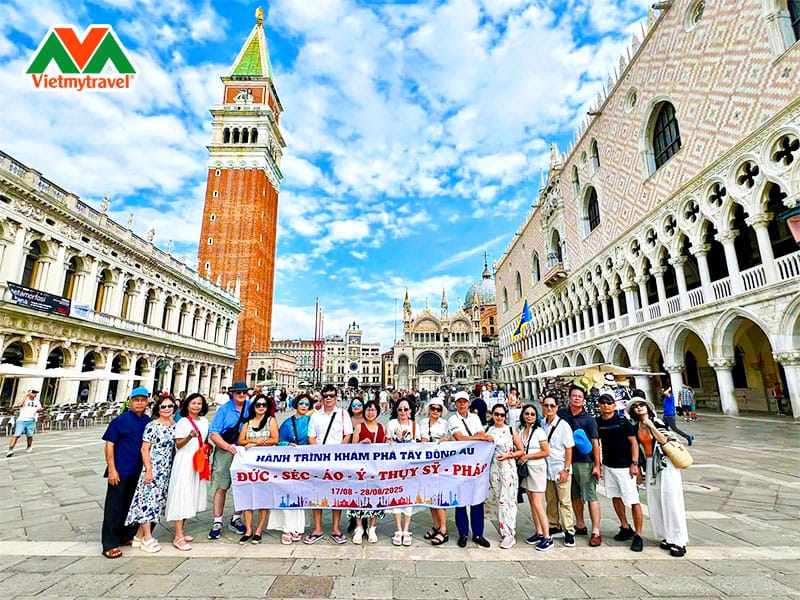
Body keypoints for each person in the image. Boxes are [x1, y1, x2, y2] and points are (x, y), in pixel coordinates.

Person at [629, 397, 689, 557]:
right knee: (656, 501)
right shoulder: (636, 427)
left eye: (641, 405)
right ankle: (667, 536)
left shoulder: (657, 422)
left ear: (648, 407)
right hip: (650, 465)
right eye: (635, 406)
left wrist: (651, 425)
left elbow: (665, 441)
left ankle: (679, 540)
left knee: (671, 501)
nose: (639, 407)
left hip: (665, 464)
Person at [100, 387, 151, 559]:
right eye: (136, 400)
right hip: (120, 470)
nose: (139, 403)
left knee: (129, 506)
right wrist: (112, 469)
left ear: (147, 402)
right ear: (130, 401)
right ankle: (109, 543)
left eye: (143, 400)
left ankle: (124, 535)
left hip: (137, 471)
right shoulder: (120, 420)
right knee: (113, 508)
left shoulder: (147, 421)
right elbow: (109, 445)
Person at [124, 396, 176, 552]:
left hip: (165, 469)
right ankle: (147, 537)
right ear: (158, 409)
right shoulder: (152, 425)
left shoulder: (175, 426)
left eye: (170, 406)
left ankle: (138, 538)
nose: (167, 409)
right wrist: (148, 470)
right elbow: (144, 449)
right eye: (163, 406)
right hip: (153, 469)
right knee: (147, 502)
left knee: (157, 502)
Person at [304, 384, 353, 544]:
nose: (329, 398)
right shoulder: (315, 416)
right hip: (319, 460)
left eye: (332, 395)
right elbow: (311, 437)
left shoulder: (343, 414)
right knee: (316, 493)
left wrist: (339, 451)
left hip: (337, 460)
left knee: (337, 493)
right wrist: (318, 452)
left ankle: (336, 528)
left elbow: (348, 435)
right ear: (322, 398)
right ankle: (317, 529)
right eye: (326, 396)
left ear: (336, 397)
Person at [595, 392, 644, 552]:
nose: (606, 405)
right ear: (599, 406)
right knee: (615, 497)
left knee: (633, 500)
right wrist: (599, 465)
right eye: (603, 403)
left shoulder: (623, 421)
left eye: (609, 403)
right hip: (609, 465)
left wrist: (634, 463)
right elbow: (597, 443)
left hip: (625, 467)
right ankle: (625, 526)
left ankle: (638, 534)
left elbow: (634, 443)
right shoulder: (598, 422)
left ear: (614, 405)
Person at [447, 390, 493, 548]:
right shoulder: (453, 419)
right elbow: (459, 438)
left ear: (468, 403)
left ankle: (478, 534)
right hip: (459, 464)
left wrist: (479, 436)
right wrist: (479, 437)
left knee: (477, 499)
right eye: (459, 402)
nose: (461, 404)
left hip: (476, 463)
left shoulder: (474, 418)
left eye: (464, 401)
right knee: (460, 499)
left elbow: (481, 432)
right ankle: (463, 533)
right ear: (455, 404)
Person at [165, 393, 209, 551]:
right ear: (187, 405)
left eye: (199, 403)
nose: (196, 406)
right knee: (181, 494)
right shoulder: (183, 422)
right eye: (193, 403)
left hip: (198, 460)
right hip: (184, 461)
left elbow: (205, 440)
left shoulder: (204, 421)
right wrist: (190, 436)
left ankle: (181, 531)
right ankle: (177, 537)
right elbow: (178, 444)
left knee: (190, 494)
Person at [558, 384, 601, 547]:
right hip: (566, 461)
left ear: (583, 400)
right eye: (574, 396)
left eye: (580, 397)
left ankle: (596, 531)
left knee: (590, 495)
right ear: (569, 398)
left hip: (584, 461)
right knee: (574, 495)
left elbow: (595, 444)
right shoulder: (562, 414)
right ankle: (580, 525)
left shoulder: (589, 419)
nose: (577, 398)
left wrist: (598, 465)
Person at [207, 380, 250, 540]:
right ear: (232, 393)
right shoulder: (224, 410)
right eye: (238, 392)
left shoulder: (251, 405)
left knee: (243, 485)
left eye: (244, 392)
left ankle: (236, 518)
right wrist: (227, 446)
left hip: (245, 451)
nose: (241, 395)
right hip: (226, 451)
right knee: (221, 486)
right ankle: (217, 521)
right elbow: (214, 433)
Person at [270, 392, 312, 544]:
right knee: (287, 494)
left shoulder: (312, 421)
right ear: (296, 405)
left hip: (306, 463)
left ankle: (298, 527)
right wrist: (288, 445)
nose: (304, 406)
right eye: (301, 403)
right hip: (289, 462)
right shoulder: (288, 422)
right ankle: (286, 527)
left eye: (307, 404)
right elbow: (279, 441)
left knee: (300, 495)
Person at [236, 393, 279, 544]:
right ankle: (248, 529)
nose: (261, 407)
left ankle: (259, 529)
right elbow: (241, 440)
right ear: (253, 407)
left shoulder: (271, 420)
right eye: (258, 405)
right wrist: (254, 441)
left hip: (266, 464)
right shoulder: (247, 422)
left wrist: (257, 444)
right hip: (248, 465)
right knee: (247, 495)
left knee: (263, 496)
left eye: (264, 405)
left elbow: (275, 439)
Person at [486, 403, 524, 549]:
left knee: (507, 500)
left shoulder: (510, 430)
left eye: (502, 415)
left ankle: (509, 533)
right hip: (494, 469)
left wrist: (509, 455)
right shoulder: (489, 430)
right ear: (492, 414)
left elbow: (521, 450)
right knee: (498, 500)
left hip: (508, 469)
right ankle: (504, 530)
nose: (499, 417)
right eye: (497, 414)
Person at [349, 399, 385, 544]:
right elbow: (352, 449)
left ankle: (372, 527)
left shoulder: (383, 427)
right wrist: (360, 444)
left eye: (373, 410)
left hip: (376, 469)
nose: (370, 413)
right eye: (368, 410)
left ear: (377, 412)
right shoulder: (359, 427)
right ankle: (359, 527)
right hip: (361, 469)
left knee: (375, 497)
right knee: (359, 496)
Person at [541, 394, 575, 551]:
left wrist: (566, 469)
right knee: (551, 500)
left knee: (565, 501)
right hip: (547, 469)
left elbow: (569, 448)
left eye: (552, 406)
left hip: (561, 468)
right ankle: (554, 525)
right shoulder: (542, 424)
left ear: (557, 407)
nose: (549, 408)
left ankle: (569, 531)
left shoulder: (563, 425)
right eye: (546, 405)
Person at [386, 396, 418, 546]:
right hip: (395, 467)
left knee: (408, 498)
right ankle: (398, 529)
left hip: (409, 468)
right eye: (400, 409)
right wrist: (389, 443)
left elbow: (420, 445)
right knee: (396, 496)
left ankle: (407, 529)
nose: (403, 411)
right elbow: (386, 442)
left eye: (406, 409)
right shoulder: (392, 424)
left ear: (410, 411)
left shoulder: (414, 426)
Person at [517, 404, 550, 549]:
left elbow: (545, 452)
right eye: (527, 413)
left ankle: (548, 537)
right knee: (531, 502)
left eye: (532, 414)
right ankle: (539, 531)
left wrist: (528, 456)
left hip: (537, 469)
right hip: (526, 470)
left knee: (538, 503)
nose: (529, 416)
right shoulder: (521, 430)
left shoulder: (539, 432)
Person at [6, 389, 42, 457]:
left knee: (29, 435)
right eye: (33, 393)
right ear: (29, 393)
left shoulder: (37, 401)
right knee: (17, 435)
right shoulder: (25, 400)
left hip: (31, 420)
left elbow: (39, 409)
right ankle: (10, 449)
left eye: (36, 393)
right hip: (21, 420)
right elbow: (19, 405)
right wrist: (25, 396)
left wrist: (40, 410)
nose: (35, 394)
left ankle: (29, 446)